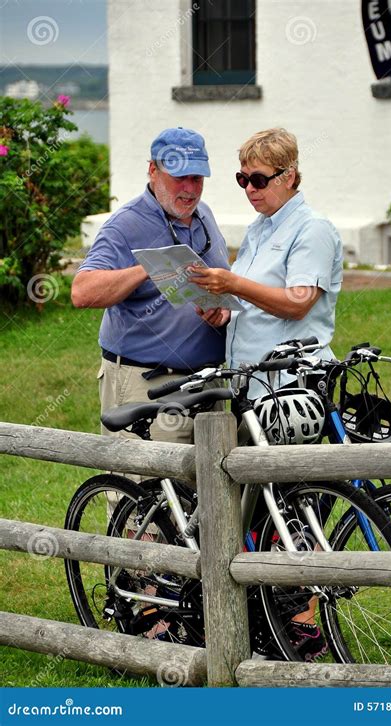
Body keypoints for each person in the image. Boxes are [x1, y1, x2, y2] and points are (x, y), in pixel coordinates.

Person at [190, 127, 344, 660]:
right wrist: (223, 308)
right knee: (258, 510)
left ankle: (302, 624)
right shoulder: (260, 228)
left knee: (293, 509)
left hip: (292, 386)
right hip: (254, 386)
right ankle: (266, 623)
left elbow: (298, 301)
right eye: (242, 179)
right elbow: (260, 300)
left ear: (291, 176)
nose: (250, 189)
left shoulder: (312, 228)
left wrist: (231, 285)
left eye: (259, 179)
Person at [71, 127, 230, 447]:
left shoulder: (204, 214)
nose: (189, 189)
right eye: (179, 177)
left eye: (197, 178)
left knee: (210, 490)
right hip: (147, 385)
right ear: (153, 170)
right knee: (147, 490)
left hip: (207, 383)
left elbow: (220, 281)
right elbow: (82, 292)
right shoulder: (125, 224)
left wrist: (222, 309)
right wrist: (146, 268)